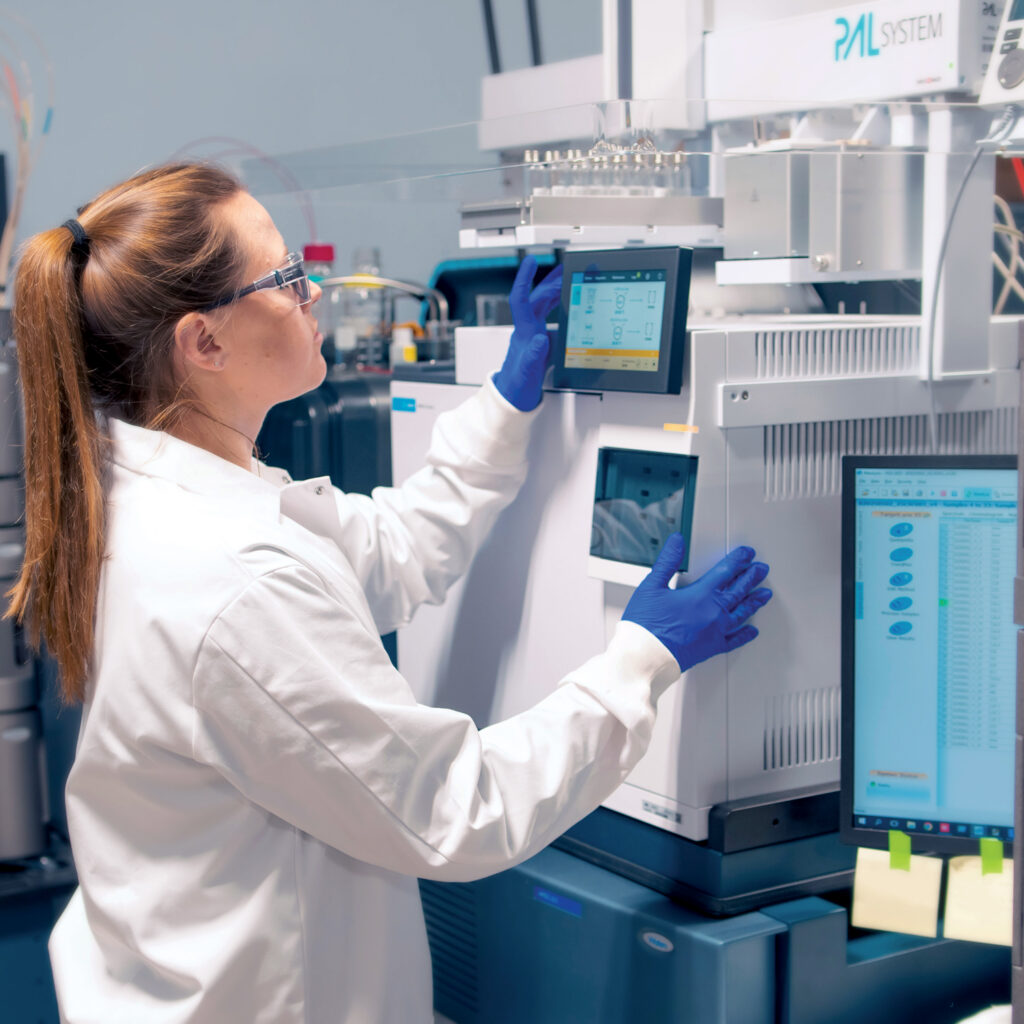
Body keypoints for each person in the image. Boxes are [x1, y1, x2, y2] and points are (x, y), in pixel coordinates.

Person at [10, 162, 771, 1024]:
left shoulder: (155, 494)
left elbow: (393, 551)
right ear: (204, 343)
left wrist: (511, 393)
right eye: (288, 277)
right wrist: (643, 659)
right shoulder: (231, 576)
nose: (315, 293)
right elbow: (457, 809)